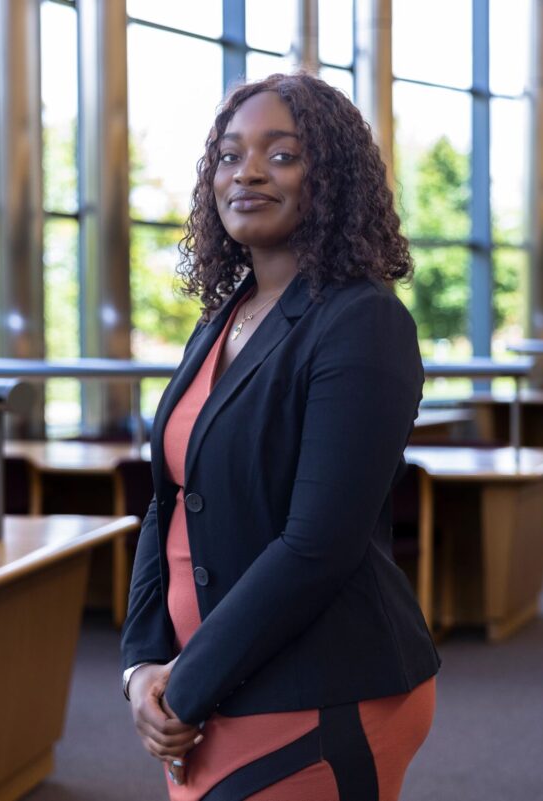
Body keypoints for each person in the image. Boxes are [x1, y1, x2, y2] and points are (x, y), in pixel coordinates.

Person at [120, 72, 440, 801]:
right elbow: (169, 499)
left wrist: (187, 685)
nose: (249, 172)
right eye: (230, 156)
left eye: (282, 155)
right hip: (205, 690)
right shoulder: (222, 319)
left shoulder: (363, 321)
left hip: (317, 685)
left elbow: (317, 545)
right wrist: (140, 666)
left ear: (332, 178)